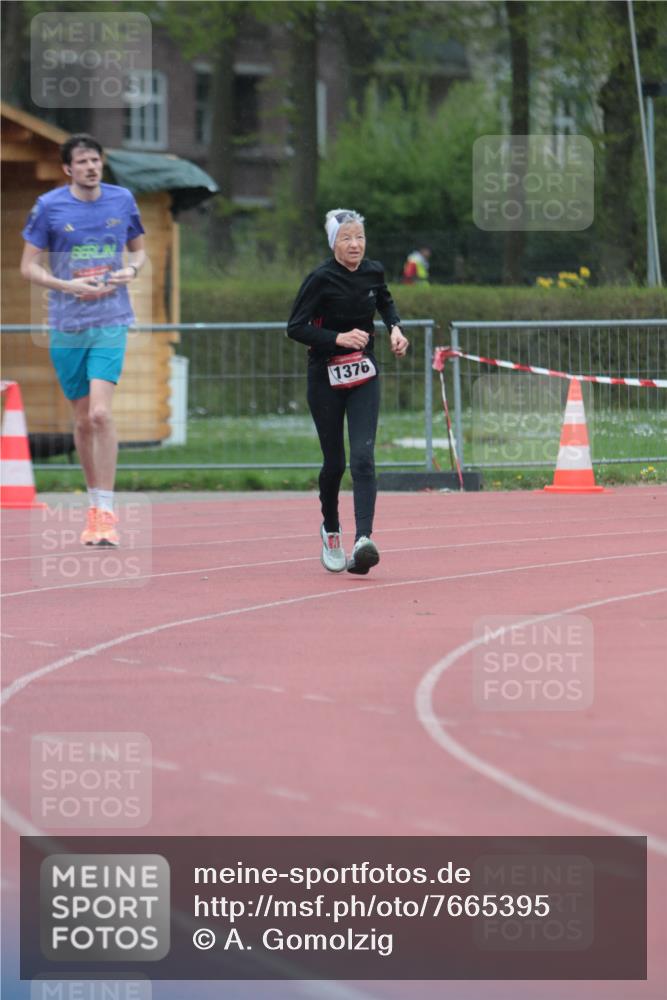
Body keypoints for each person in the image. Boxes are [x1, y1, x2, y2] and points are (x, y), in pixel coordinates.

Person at [20, 133, 146, 546]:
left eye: (96, 159)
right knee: (80, 419)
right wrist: (65, 284)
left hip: (111, 319)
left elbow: (139, 251)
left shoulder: (122, 199)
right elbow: (28, 267)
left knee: (100, 415)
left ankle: (107, 510)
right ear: (67, 169)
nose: (92, 167)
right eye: (84, 162)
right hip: (67, 324)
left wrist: (133, 270)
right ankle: (93, 505)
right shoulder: (50, 207)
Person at [287, 208, 409, 575]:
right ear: (333, 243)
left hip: (363, 374)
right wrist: (337, 338)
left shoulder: (373, 271)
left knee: (363, 456)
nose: (355, 244)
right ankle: (331, 528)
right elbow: (295, 327)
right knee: (335, 463)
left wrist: (395, 329)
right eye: (346, 238)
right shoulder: (320, 279)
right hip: (325, 376)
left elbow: (384, 299)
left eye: (359, 237)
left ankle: (363, 541)